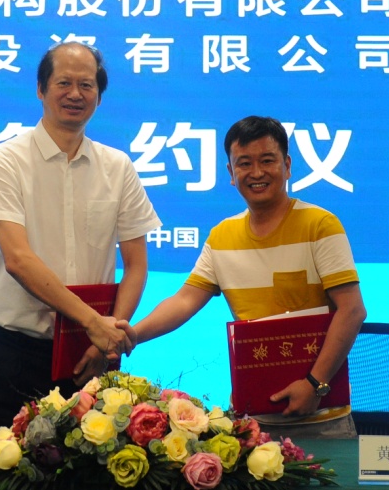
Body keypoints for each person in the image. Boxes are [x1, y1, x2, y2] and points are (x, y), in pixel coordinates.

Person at [0, 42, 161, 437]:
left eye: (87, 85)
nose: (75, 94)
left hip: (88, 356)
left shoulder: (118, 166)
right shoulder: (5, 160)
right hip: (13, 354)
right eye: (64, 83)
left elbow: (136, 265)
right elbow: (18, 260)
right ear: (41, 89)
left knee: (90, 465)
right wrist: (95, 323)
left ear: (99, 96)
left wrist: (109, 340)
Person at [129, 115, 366, 439]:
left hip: (321, 418)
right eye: (244, 163)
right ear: (231, 172)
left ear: (287, 165)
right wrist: (132, 335)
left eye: (267, 160)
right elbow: (183, 301)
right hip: (251, 421)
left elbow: (352, 310)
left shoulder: (320, 225)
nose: (256, 172)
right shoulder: (222, 236)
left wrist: (315, 384)